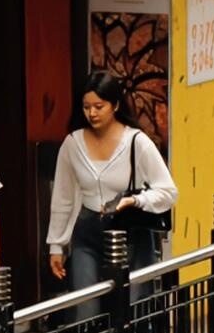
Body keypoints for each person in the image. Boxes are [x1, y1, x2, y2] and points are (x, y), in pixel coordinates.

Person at [47, 71, 177, 288]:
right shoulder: (72, 144)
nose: (92, 113)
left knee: (134, 308)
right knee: (85, 307)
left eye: (99, 107)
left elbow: (168, 192)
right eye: (86, 107)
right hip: (87, 231)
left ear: (115, 105)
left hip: (130, 231)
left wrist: (136, 201)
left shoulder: (137, 141)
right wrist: (56, 246)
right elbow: (63, 198)